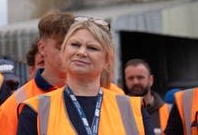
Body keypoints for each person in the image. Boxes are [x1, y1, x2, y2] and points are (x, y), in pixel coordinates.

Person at [17, 17, 155, 134]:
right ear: (63, 52)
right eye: (75, 45)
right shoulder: (35, 110)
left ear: (107, 60)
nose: (82, 52)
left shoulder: (132, 110)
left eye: (92, 48)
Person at [0, 10, 74, 135]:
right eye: (60, 47)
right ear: (42, 48)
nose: (69, 53)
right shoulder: (13, 106)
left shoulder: (103, 95)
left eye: (73, 45)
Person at [124, 58, 171, 133]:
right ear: (125, 81)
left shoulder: (169, 111)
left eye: (140, 77)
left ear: (151, 80)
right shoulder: (118, 111)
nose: (135, 82)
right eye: (131, 78)